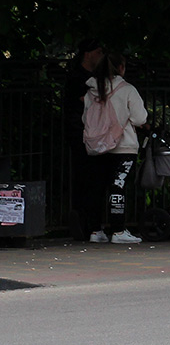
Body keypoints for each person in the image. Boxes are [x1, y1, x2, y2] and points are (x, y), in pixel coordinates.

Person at [82, 51, 148, 245]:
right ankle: (118, 230)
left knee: (97, 188)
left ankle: (95, 230)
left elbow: (85, 118)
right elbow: (140, 118)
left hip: (97, 147)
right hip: (123, 146)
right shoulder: (127, 89)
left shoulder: (91, 90)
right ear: (121, 68)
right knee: (117, 186)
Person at [63, 40, 104, 241]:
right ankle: (82, 220)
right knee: (84, 176)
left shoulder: (93, 77)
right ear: (87, 54)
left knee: (92, 178)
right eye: (98, 52)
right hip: (80, 132)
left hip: (91, 132)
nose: (101, 56)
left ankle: (89, 221)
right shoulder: (77, 79)